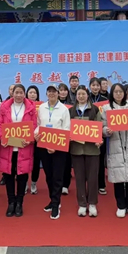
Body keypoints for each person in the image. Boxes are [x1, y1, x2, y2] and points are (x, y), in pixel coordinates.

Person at [102, 83, 128, 219]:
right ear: (112, 94)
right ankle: (121, 206)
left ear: (124, 93)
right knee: (118, 177)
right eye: (116, 92)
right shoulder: (106, 108)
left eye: (121, 92)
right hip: (115, 146)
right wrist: (106, 131)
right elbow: (102, 128)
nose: (118, 94)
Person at [0, 84, 37, 217]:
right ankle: (11, 202)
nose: (19, 95)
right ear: (12, 93)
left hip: (24, 147)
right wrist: (2, 137)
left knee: (22, 176)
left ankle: (19, 202)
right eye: (16, 92)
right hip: (7, 147)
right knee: (8, 175)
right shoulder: (4, 107)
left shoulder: (31, 108)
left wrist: (30, 139)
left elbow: (34, 126)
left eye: (21, 92)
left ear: (24, 94)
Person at [36, 84, 71, 220]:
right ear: (46, 94)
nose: (51, 94)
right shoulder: (42, 108)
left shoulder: (64, 109)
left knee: (57, 176)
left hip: (59, 148)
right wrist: (36, 134)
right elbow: (38, 125)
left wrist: (56, 146)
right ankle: (52, 199)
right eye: (49, 91)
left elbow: (66, 129)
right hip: (44, 146)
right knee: (48, 175)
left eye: (54, 91)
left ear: (58, 93)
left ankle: (56, 204)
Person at [69, 85, 102, 217]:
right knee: (79, 178)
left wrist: (99, 139)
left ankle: (92, 203)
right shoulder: (71, 111)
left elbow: (99, 127)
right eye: (79, 94)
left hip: (92, 149)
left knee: (93, 178)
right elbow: (67, 127)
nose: (81, 96)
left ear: (87, 95)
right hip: (76, 149)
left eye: (83, 94)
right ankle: (82, 204)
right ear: (76, 96)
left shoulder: (94, 109)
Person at [89, 78, 108, 195]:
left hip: (101, 133)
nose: (95, 87)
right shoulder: (86, 98)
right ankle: (91, 184)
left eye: (97, 85)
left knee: (100, 159)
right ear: (90, 86)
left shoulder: (105, 100)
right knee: (90, 161)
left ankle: (101, 184)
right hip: (89, 133)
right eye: (93, 85)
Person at [25, 85, 41, 195]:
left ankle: (34, 183)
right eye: (30, 92)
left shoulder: (42, 107)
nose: (32, 94)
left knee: (36, 162)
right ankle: (25, 183)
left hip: (37, 138)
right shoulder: (23, 106)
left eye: (34, 93)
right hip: (26, 137)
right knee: (25, 161)